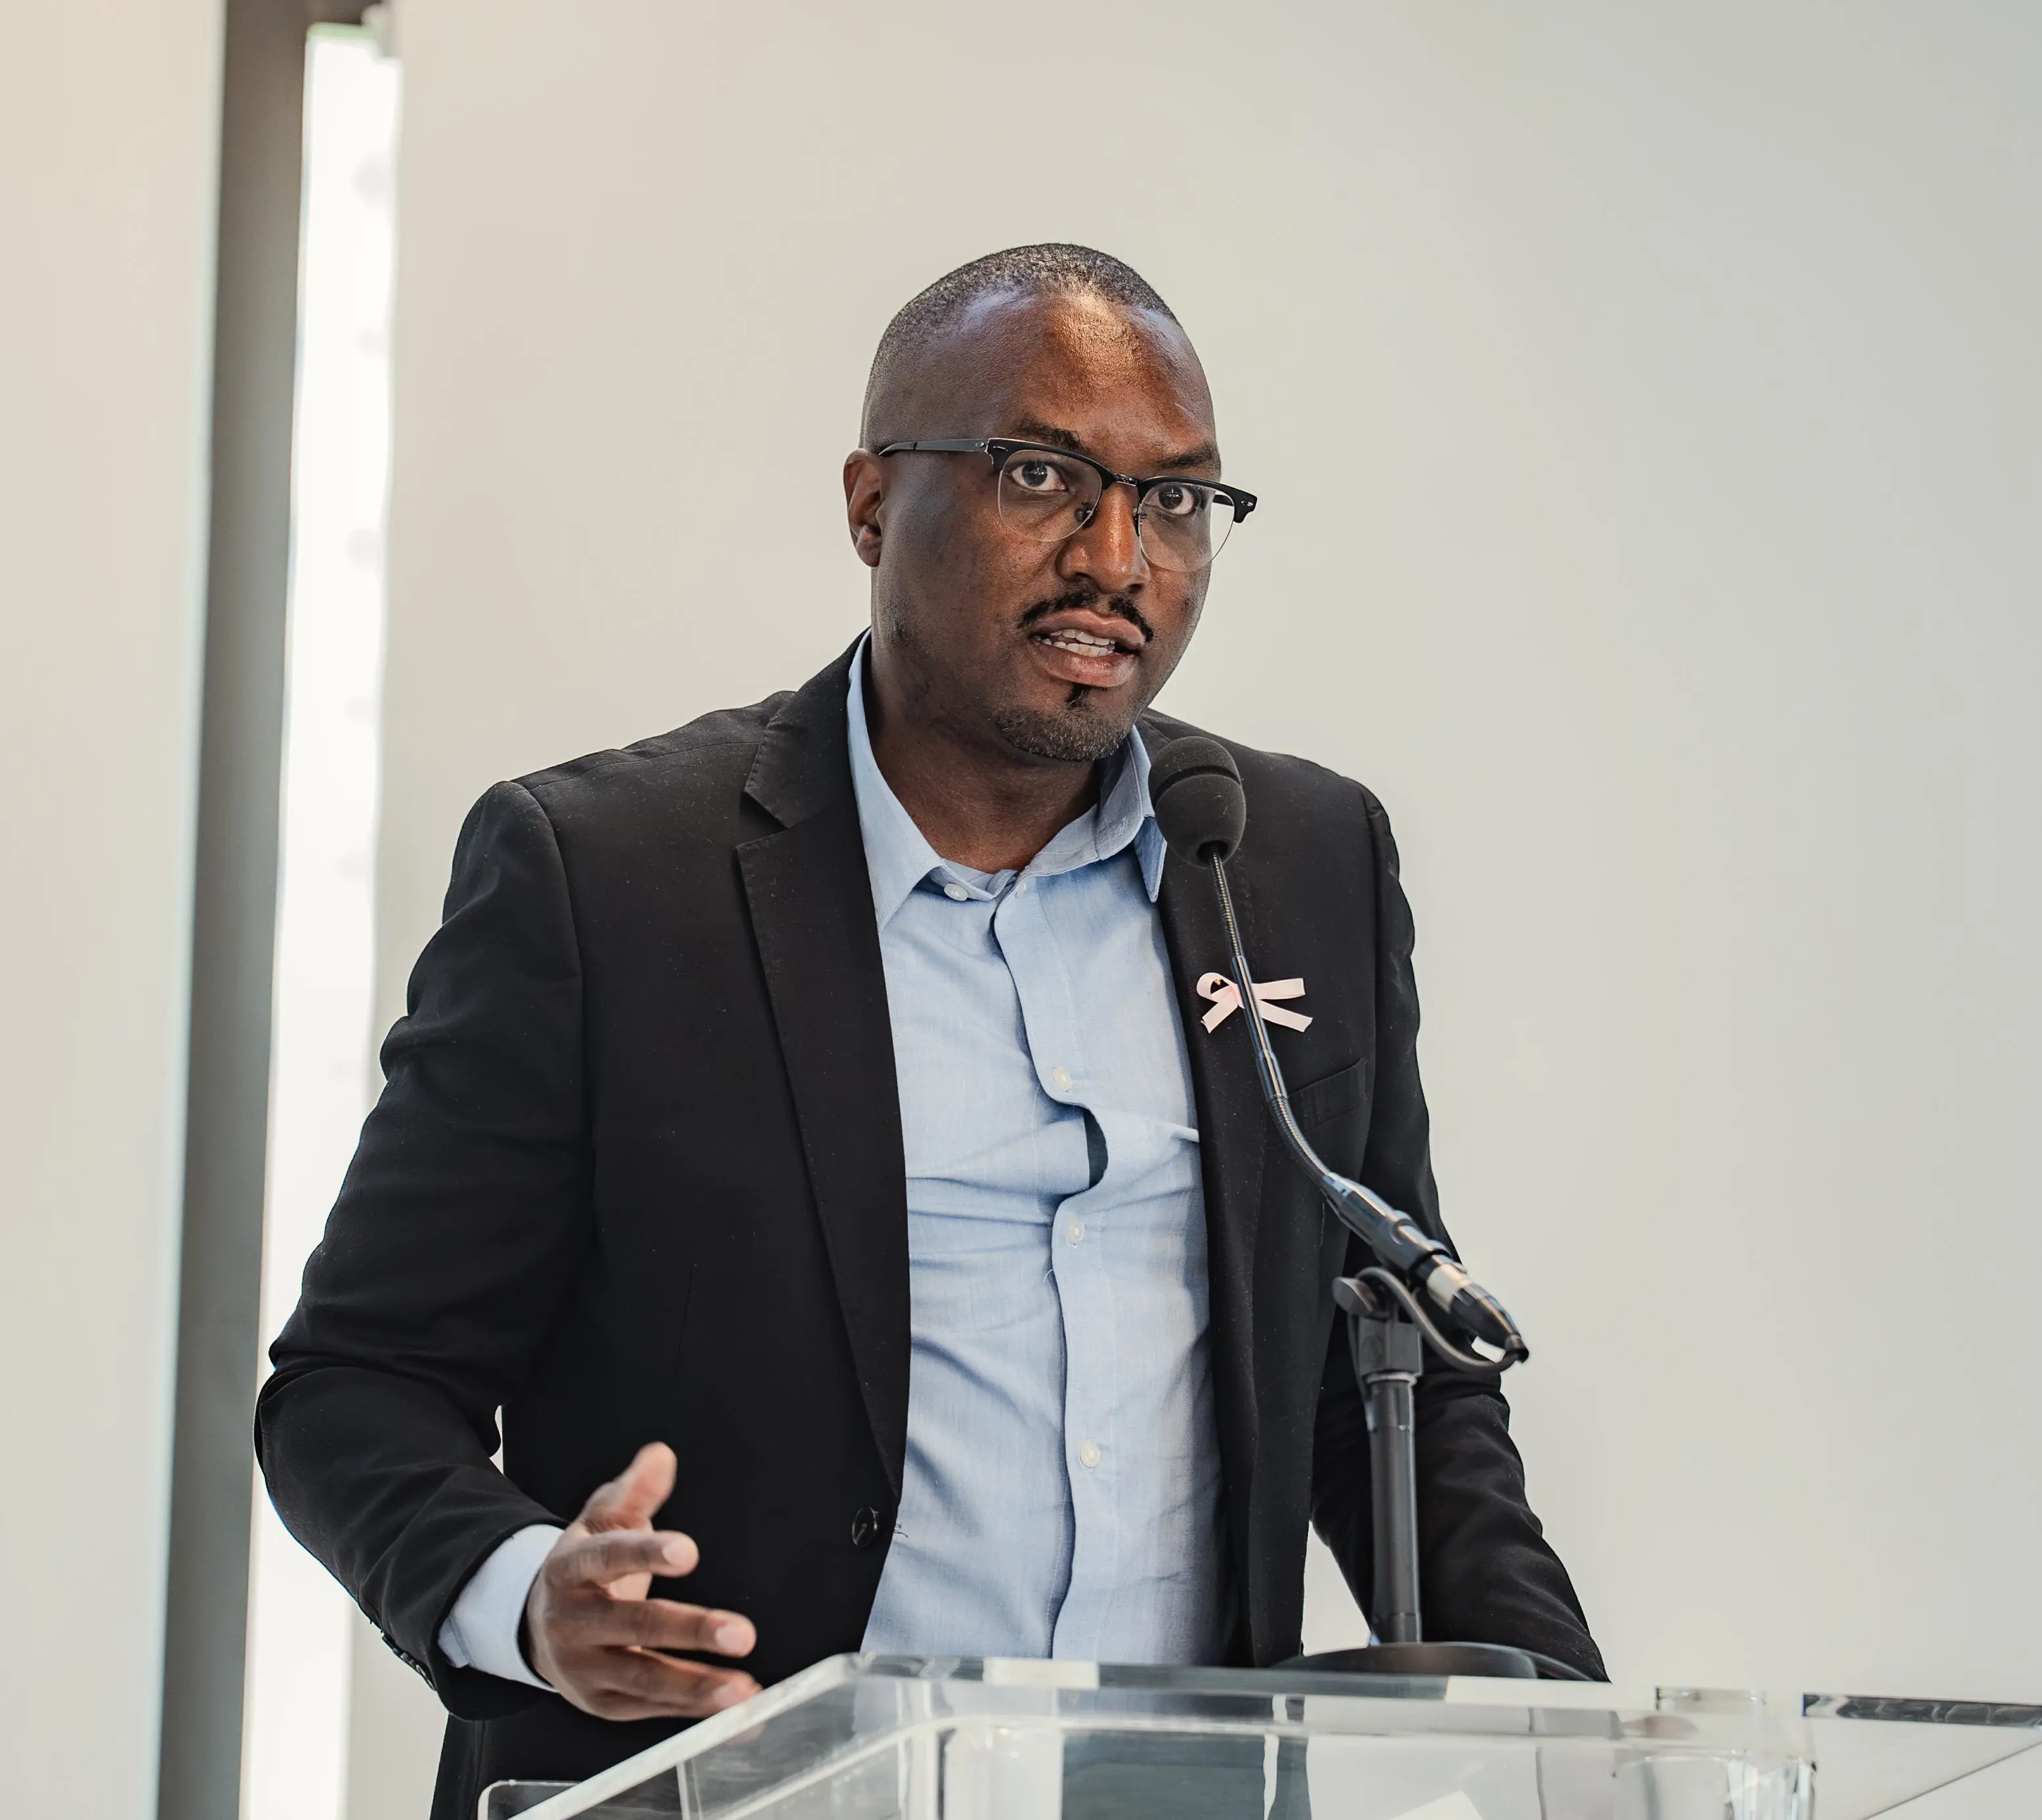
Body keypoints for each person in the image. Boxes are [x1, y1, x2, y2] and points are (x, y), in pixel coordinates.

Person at [258, 243, 1599, 1819]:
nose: (1118, 556)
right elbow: (353, 1380)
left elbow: (1390, 1369)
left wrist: (1572, 1738)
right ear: (870, 503)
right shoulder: (607, 880)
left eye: (1175, 501)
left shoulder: (1293, 863)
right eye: (1045, 474)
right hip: (717, 1789)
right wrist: (525, 1598)